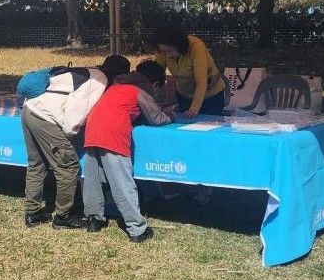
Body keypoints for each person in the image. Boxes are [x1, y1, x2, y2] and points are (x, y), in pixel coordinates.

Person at [21, 55, 129, 229]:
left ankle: (32, 213)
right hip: (46, 118)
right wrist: (67, 139)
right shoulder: (99, 80)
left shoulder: (88, 71)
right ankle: (63, 217)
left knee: (37, 164)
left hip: (29, 109)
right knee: (68, 167)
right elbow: (73, 117)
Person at [83, 60, 173, 242]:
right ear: (155, 84)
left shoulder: (116, 86)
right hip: (113, 133)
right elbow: (156, 118)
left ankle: (94, 219)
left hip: (92, 129)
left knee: (93, 179)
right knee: (122, 182)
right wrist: (171, 115)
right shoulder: (140, 90)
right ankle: (137, 229)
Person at [154, 28, 224, 118]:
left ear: (180, 46)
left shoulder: (196, 46)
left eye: (170, 51)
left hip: (210, 96)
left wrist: (193, 109)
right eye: (163, 52)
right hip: (184, 95)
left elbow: (201, 82)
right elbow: (157, 76)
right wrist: (152, 102)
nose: (167, 55)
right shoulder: (161, 49)